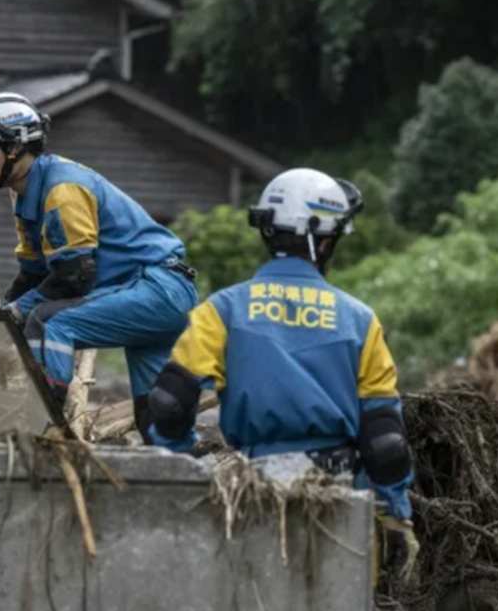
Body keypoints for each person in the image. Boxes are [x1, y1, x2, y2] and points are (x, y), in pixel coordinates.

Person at [146, 167, 419, 581]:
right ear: (325, 239)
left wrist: (181, 462)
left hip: (253, 490)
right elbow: (385, 440)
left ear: (268, 231)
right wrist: (395, 513)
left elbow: (169, 402)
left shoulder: (222, 310)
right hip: (341, 493)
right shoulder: (360, 321)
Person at [0, 91, 199, 439]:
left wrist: (17, 314)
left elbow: (74, 278)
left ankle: (42, 426)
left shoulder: (62, 189)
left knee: (49, 321)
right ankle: (182, 461)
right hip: (145, 292)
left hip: (158, 288)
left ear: (16, 146)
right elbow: (35, 275)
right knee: (157, 416)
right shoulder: (25, 194)